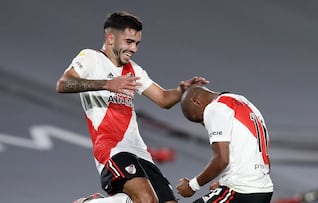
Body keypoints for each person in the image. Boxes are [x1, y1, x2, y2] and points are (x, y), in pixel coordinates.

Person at [56, 11, 208, 203]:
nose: (134, 48)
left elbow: (162, 98)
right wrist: (106, 84)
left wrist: (181, 91)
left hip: (140, 151)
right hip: (111, 149)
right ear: (111, 38)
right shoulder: (91, 58)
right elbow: (63, 84)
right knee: (146, 201)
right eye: (129, 41)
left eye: (137, 43)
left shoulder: (134, 70)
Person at [176, 86, 273, 203]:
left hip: (241, 190)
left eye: (199, 118)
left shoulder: (214, 109)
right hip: (263, 189)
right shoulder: (243, 102)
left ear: (196, 101)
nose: (204, 124)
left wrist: (192, 186)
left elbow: (222, 159)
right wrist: (225, 182)